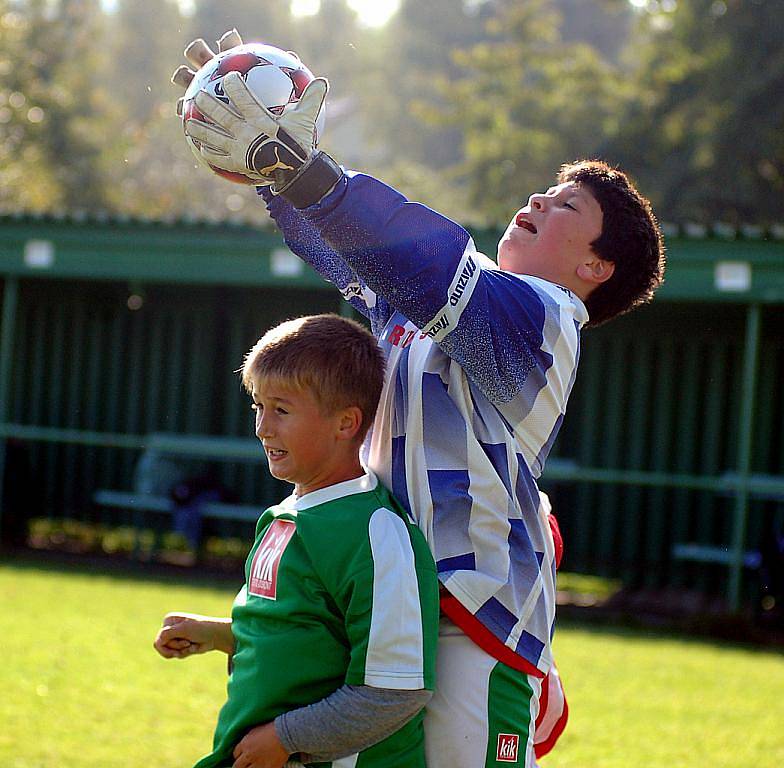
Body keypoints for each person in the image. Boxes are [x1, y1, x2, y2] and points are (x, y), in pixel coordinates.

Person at [173, 31, 665, 768]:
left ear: (595, 265)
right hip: (391, 605)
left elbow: (423, 260)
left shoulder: (546, 318)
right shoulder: (435, 305)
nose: (538, 198)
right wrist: (271, 165)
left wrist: (306, 173)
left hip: (474, 620)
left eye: (566, 205)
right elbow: (352, 253)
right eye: (547, 189)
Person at [154, 314, 439, 768]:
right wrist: (224, 636)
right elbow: (305, 637)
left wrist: (286, 738)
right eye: (258, 408)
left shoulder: (376, 531)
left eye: (281, 410)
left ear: (346, 423)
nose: (263, 428)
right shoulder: (281, 516)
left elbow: (396, 689)